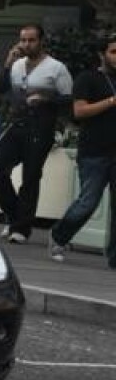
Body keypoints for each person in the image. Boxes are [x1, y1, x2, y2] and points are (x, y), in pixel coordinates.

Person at [0, 23, 73, 244]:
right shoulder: (16, 65)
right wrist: (7, 64)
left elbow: (70, 99)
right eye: (23, 40)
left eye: (31, 40)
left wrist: (47, 99)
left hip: (41, 127)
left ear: (41, 41)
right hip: (17, 124)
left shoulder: (56, 68)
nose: (26, 44)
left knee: (30, 177)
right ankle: (13, 215)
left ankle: (21, 228)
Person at [48, 35, 116, 266]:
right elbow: (80, 111)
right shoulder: (88, 78)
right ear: (102, 54)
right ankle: (59, 236)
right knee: (88, 201)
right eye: (114, 52)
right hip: (95, 151)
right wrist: (111, 101)